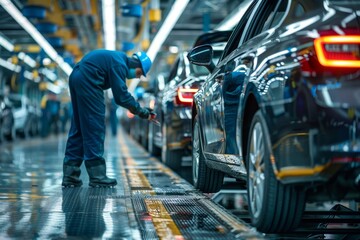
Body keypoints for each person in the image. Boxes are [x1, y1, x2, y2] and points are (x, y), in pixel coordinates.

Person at [62, 50, 152, 188]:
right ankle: (97, 176)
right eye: (139, 73)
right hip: (89, 80)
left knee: (79, 127)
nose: (137, 77)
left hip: (76, 76)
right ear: (135, 64)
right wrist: (142, 112)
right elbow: (121, 96)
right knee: (94, 126)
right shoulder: (119, 65)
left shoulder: (117, 59)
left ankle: (70, 176)